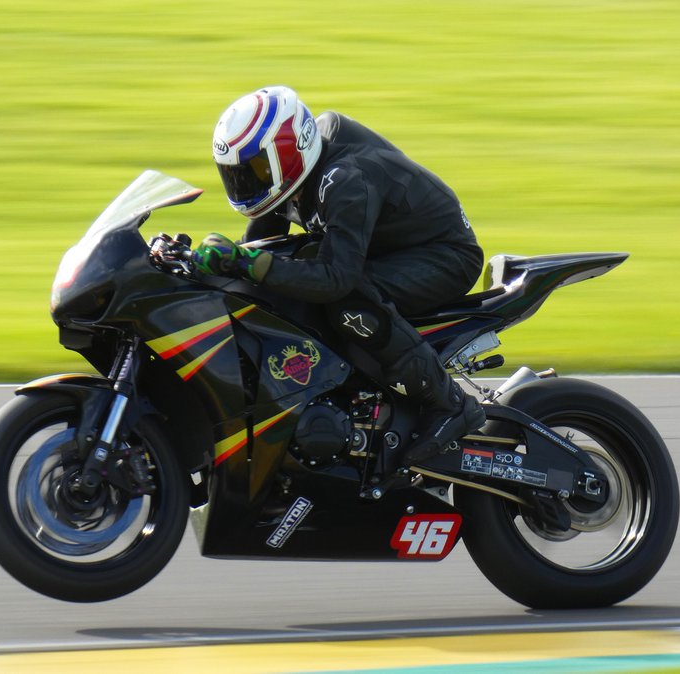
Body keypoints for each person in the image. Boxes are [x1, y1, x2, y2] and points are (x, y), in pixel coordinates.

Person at [193, 85, 485, 472]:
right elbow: (261, 251)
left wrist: (248, 263)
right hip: (387, 250)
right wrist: (227, 266)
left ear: (287, 155)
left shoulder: (345, 180)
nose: (246, 183)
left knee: (346, 298)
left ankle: (447, 404)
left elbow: (337, 279)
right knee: (283, 283)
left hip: (442, 256)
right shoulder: (294, 178)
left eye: (256, 170)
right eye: (236, 174)